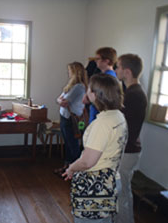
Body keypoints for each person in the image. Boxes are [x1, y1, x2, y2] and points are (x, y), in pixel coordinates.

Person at [63, 74, 128, 223]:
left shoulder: (102, 124)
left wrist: (71, 168)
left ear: (96, 94)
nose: (87, 91)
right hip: (111, 180)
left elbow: (87, 162)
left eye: (89, 89)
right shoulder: (118, 116)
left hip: (94, 186)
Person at [115, 54, 147, 223]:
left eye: (118, 67)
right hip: (129, 149)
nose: (116, 70)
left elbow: (122, 126)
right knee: (123, 192)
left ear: (127, 71)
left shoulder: (133, 94)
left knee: (122, 194)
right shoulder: (132, 92)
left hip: (128, 150)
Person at [54, 62, 88, 176]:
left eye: (70, 70)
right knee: (67, 144)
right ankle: (67, 168)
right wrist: (60, 100)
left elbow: (63, 102)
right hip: (65, 118)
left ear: (75, 72)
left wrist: (60, 100)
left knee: (72, 145)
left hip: (71, 120)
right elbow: (59, 99)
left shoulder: (79, 87)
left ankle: (76, 171)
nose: (68, 72)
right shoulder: (71, 85)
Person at [84, 47, 117, 123]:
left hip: (100, 118)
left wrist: (88, 97)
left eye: (98, 58)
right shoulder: (102, 75)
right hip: (95, 116)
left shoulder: (108, 78)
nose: (95, 61)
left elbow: (102, 100)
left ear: (106, 61)